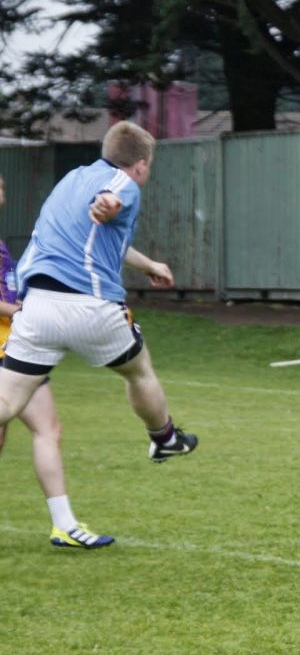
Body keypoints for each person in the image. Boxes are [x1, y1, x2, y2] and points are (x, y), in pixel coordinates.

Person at [0, 121, 198, 509]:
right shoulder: (122, 182)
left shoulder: (70, 180)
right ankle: (165, 438)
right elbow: (111, 200)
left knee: (7, 403)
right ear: (140, 164)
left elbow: (104, 237)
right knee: (138, 370)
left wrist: (150, 265)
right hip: (91, 306)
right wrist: (106, 205)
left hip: (37, 308)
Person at [0, 172, 114, 548]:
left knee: (48, 430)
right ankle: (63, 524)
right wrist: (19, 311)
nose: (2, 192)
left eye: (3, 185)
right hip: (9, 345)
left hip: (17, 347)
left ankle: (64, 524)